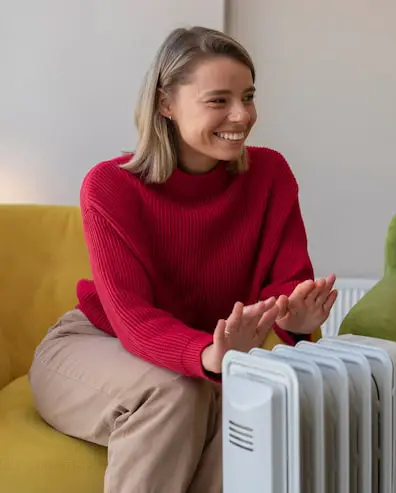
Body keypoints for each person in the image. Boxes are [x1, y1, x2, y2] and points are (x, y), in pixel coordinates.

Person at [28, 26, 337, 493]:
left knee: (244, 401)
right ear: (165, 104)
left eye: (248, 96)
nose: (242, 114)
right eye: (219, 100)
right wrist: (208, 356)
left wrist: (295, 320)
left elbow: (285, 288)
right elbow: (132, 319)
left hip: (204, 356)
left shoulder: (270, 174)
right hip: (95, 343)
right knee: (177, 393)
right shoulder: (110, 186)